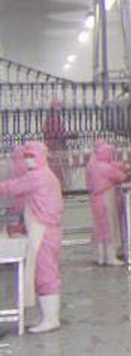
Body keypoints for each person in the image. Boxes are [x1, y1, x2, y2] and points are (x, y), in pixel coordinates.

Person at [0, 142, 64, 332]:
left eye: (31, 156)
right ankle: (47, 314)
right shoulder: (45, 175)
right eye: (26, 156)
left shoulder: (38, 176)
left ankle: (51, 319)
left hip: (43, 230)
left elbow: (12, 187)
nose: (27, 160)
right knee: (43, 271)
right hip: (44, 229)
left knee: (45, 273)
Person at [86, 143, 131, 266]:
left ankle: (101, 257)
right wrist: (130, 169)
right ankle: (111, 257)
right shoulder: (106, 168)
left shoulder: (93, 166)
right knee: (110, 227)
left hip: (96, 200)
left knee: (100, 229)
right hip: (106, 199)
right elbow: (121, 177)